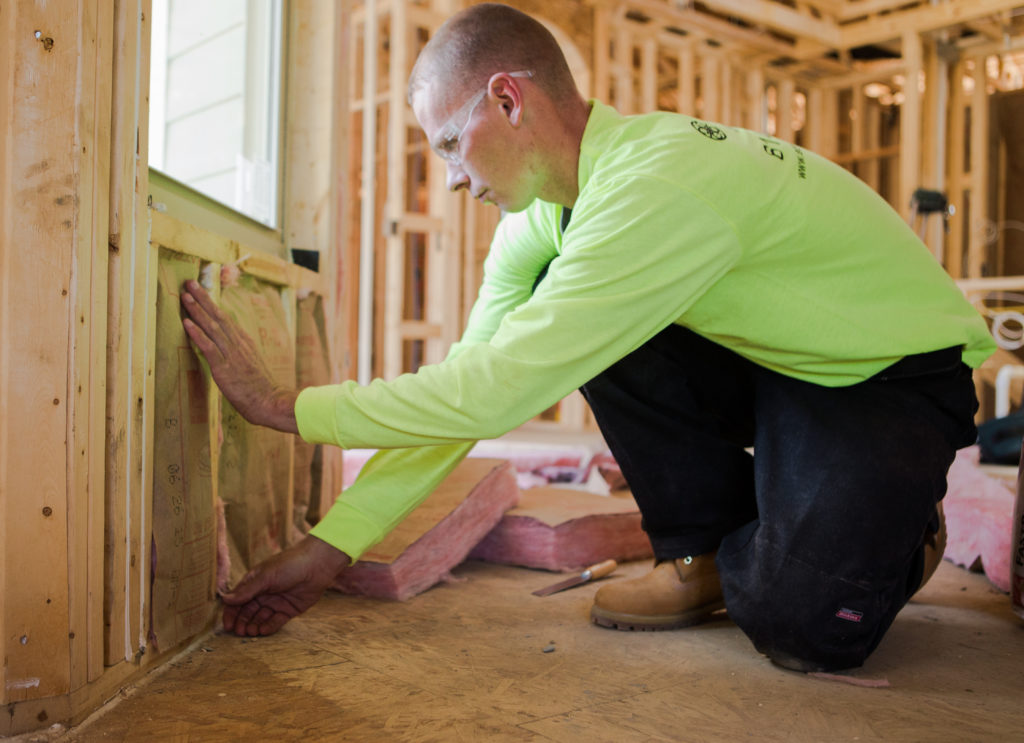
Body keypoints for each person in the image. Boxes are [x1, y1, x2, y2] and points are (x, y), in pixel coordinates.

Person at [180, 2, 995, 672]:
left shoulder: (653, 187)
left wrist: (285, 406)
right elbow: (479, 383)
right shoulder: (545, 219)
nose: (455, 178)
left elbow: (498, 390)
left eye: (451, 145)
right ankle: (703, 551)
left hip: (888, 375)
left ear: (508, 99)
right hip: (780, 359)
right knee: (567, 317)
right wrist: (331, 549)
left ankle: (898, 532)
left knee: (804, 625)